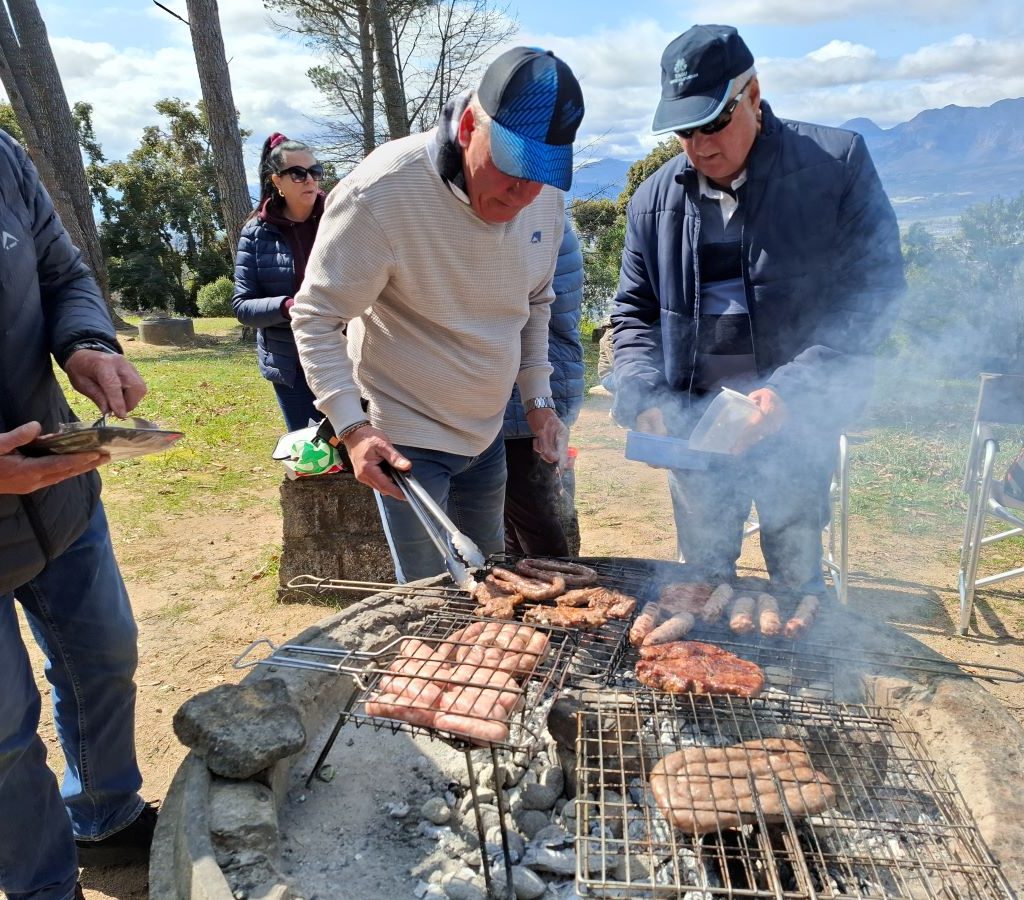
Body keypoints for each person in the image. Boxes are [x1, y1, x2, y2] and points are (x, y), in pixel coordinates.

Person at [611, 25, 905, 595]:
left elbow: (874, 293)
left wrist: (791, 390)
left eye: (714, 123)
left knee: (796, 582)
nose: (699, 146)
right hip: (696, 429)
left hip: (792, 425)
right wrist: (642, 389)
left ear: (752, 94)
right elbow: (634, 312)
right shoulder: (653, 201)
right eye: (684, 131)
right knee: (701, 585)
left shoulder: (834, 166)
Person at [292, 47, 585, 581]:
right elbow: (316, 316)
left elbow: (537, 302)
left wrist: (538, 401)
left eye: (541, 174)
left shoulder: (544, 201)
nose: (522, 195)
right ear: (471, 124)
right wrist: (352, 428)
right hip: (407, 439)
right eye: (512, 168)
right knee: (434, 595)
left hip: (487, 432)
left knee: (492, 579)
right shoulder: (379, 194)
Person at [0, 130, 156, 900]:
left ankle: (103, 812)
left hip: (60, 494)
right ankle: (41, 887)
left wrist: (88, 344)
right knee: (1, 733)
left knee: (105, 654)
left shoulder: (3, 158)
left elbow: (62, 274)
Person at [502, 212, 585, 557]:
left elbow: (525, 311)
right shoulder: (545, 219)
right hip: (539, 385)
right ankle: (528, 598)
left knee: (532, 512)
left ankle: (560, 597)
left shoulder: (536, 223)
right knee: (516, 513)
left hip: (528, 391)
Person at [233, 133, 327, 432]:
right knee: (310, 457)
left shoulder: (342, 218)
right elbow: (243, 306)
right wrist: (289, 306)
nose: (310, 180)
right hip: (291, 365)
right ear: (277, 181)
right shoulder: (255, 234)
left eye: (315, 171)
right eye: (298, 174)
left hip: (349, 358)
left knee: (363, 455)